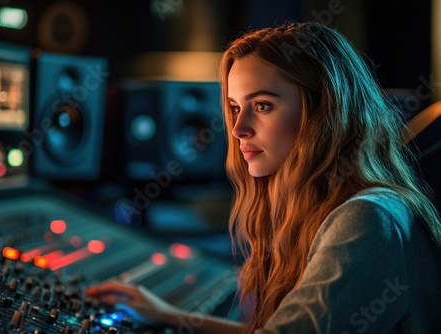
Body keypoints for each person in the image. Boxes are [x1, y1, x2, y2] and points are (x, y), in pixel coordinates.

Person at [85, 21, 441, 333]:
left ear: (323, 111)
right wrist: (172, 317)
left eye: (262, 106)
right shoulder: (323, 206)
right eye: (236, 107)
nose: (238, 128)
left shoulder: (367, 217)